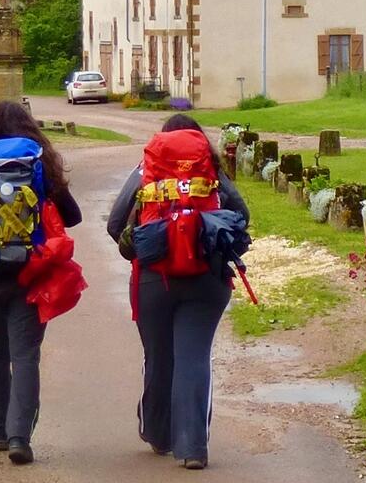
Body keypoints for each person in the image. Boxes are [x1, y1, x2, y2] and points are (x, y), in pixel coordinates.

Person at [107, 114, 250, 470]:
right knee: (194, 356)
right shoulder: (210, 170)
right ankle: (192, 448)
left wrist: (145, 241)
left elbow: (114, 224)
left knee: (158, 355)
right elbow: (241, 215)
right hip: (206, 277)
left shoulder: (147, 168)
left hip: (154, 278)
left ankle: (158, 434)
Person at [0, 102, 82, 465]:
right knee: (25, 356)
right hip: (30, 275)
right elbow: (75, 216)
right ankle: (20, 437)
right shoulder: (39, 166)